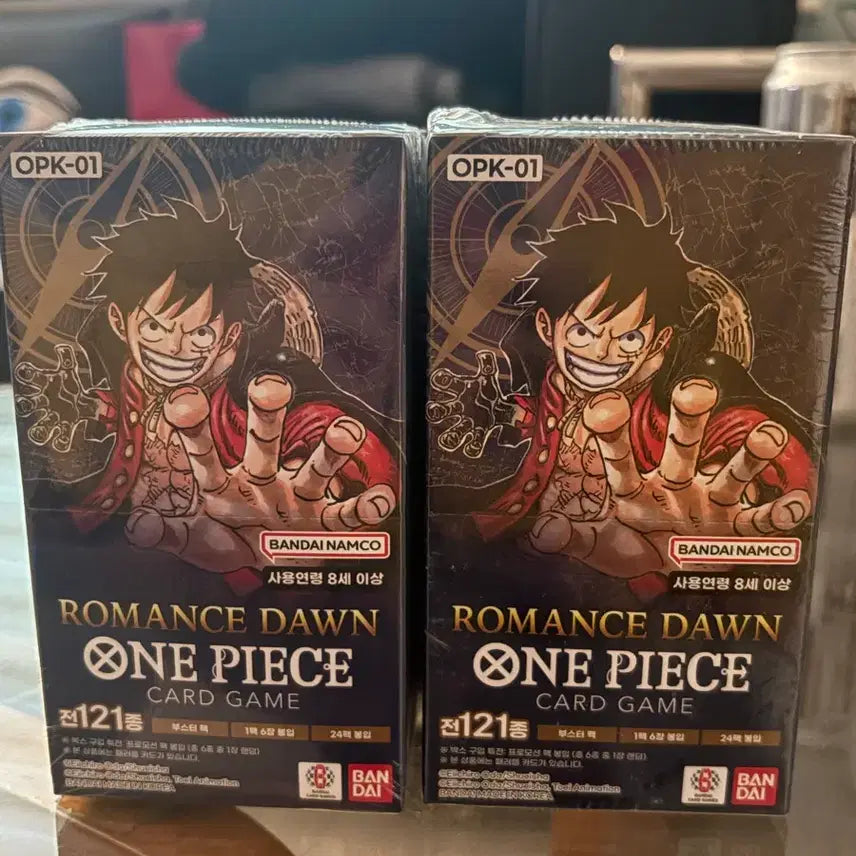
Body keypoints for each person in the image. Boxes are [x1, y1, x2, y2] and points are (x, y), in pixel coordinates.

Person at [428, 205, 813, 598]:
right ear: (546, 328)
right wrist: (496, 413)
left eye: (629, 338)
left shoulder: (665, 400)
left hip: (622, 584)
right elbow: (538, 424)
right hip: (521, 557)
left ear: (658, 342)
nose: (601, 351)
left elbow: (738, 428)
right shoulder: (550, 383)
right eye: (582, 332)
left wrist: (725, 486)